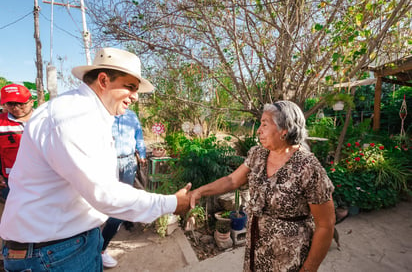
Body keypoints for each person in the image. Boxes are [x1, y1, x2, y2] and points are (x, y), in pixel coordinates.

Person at [0, 47, 191, 271]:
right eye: (130, 87)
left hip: (66, 244)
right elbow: (105, 193)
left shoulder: (85, 112)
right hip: (52, 253)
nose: (136, 96)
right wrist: (171, 203)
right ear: (103, 80)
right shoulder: (72, 117)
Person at [190, 100, 336, 272]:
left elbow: (326, 225)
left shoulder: (308, 167)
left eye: (264, 124)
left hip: (289, 257)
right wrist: (200, 191)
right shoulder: (258, 154)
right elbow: (232, 180)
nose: (259, 130)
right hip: (257, 248)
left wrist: (309, 269)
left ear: (284, 130)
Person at [101, 108, 147, 267]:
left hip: (128, 160)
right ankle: (107, 227)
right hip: (108, 161)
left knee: (126, 194)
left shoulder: (131, 115)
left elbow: (138, 135)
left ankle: (124, 221)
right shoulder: (104, 113)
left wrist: (142, 154)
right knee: (109, 195)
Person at [0, 84, 34, 201]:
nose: (16, 108)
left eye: (21, 103)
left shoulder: (45, 120)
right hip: (10, 183)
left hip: (42, 180)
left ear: (31, 102)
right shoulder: (1, 123)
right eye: (11, 104)